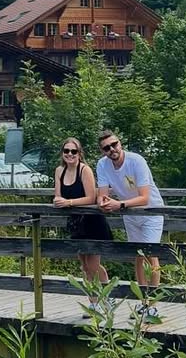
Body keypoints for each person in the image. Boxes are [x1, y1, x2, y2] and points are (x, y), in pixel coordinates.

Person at [96, 130, 165, 322]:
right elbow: (102, 192)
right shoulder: (102, 165)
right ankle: (142, 301)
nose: (112, 150)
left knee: (151, 255)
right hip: (129, 213)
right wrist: (104, 202)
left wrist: (119, 204)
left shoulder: (136, 161)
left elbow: (144, 197)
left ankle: (153, 305)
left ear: (120, 143)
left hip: (151, 211)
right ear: (102, 151)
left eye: (114, 144)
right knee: (138, 256)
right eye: (106, 148)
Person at [52, 138, 111, 311]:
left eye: (73, 151)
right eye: (66, 151)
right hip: (75, 222)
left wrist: (69, 202)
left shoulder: (84, 170)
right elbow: (58, 195)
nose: (69, 154)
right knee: (84, 266)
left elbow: (91, 197)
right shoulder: (59, 171)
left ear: (79, 153)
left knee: (93, 265)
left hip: (92, 221)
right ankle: (96, 300)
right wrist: (58, 201)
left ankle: (99, 300)